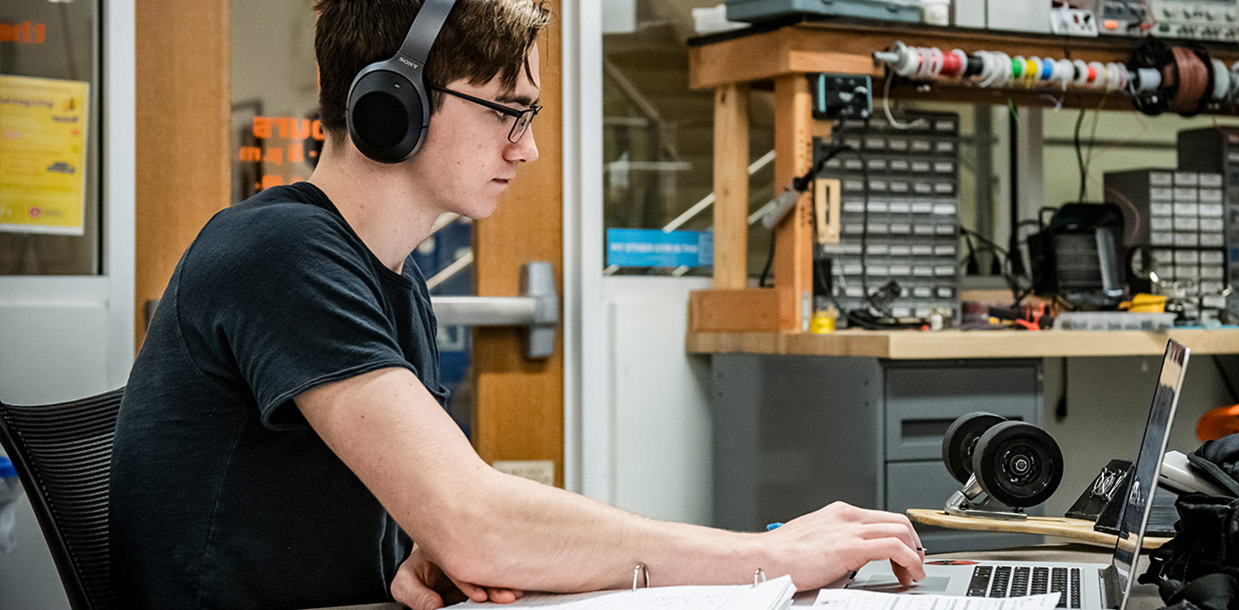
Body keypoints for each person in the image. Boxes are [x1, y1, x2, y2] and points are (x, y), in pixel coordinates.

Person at [108, 1, 925, 608]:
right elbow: (476, 520)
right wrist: (766, 558)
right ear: (392, 104)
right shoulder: (278, 253)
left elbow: (449, 517)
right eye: (508, 109)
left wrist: (409, 552)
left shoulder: (392, 278)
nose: (527, 146)